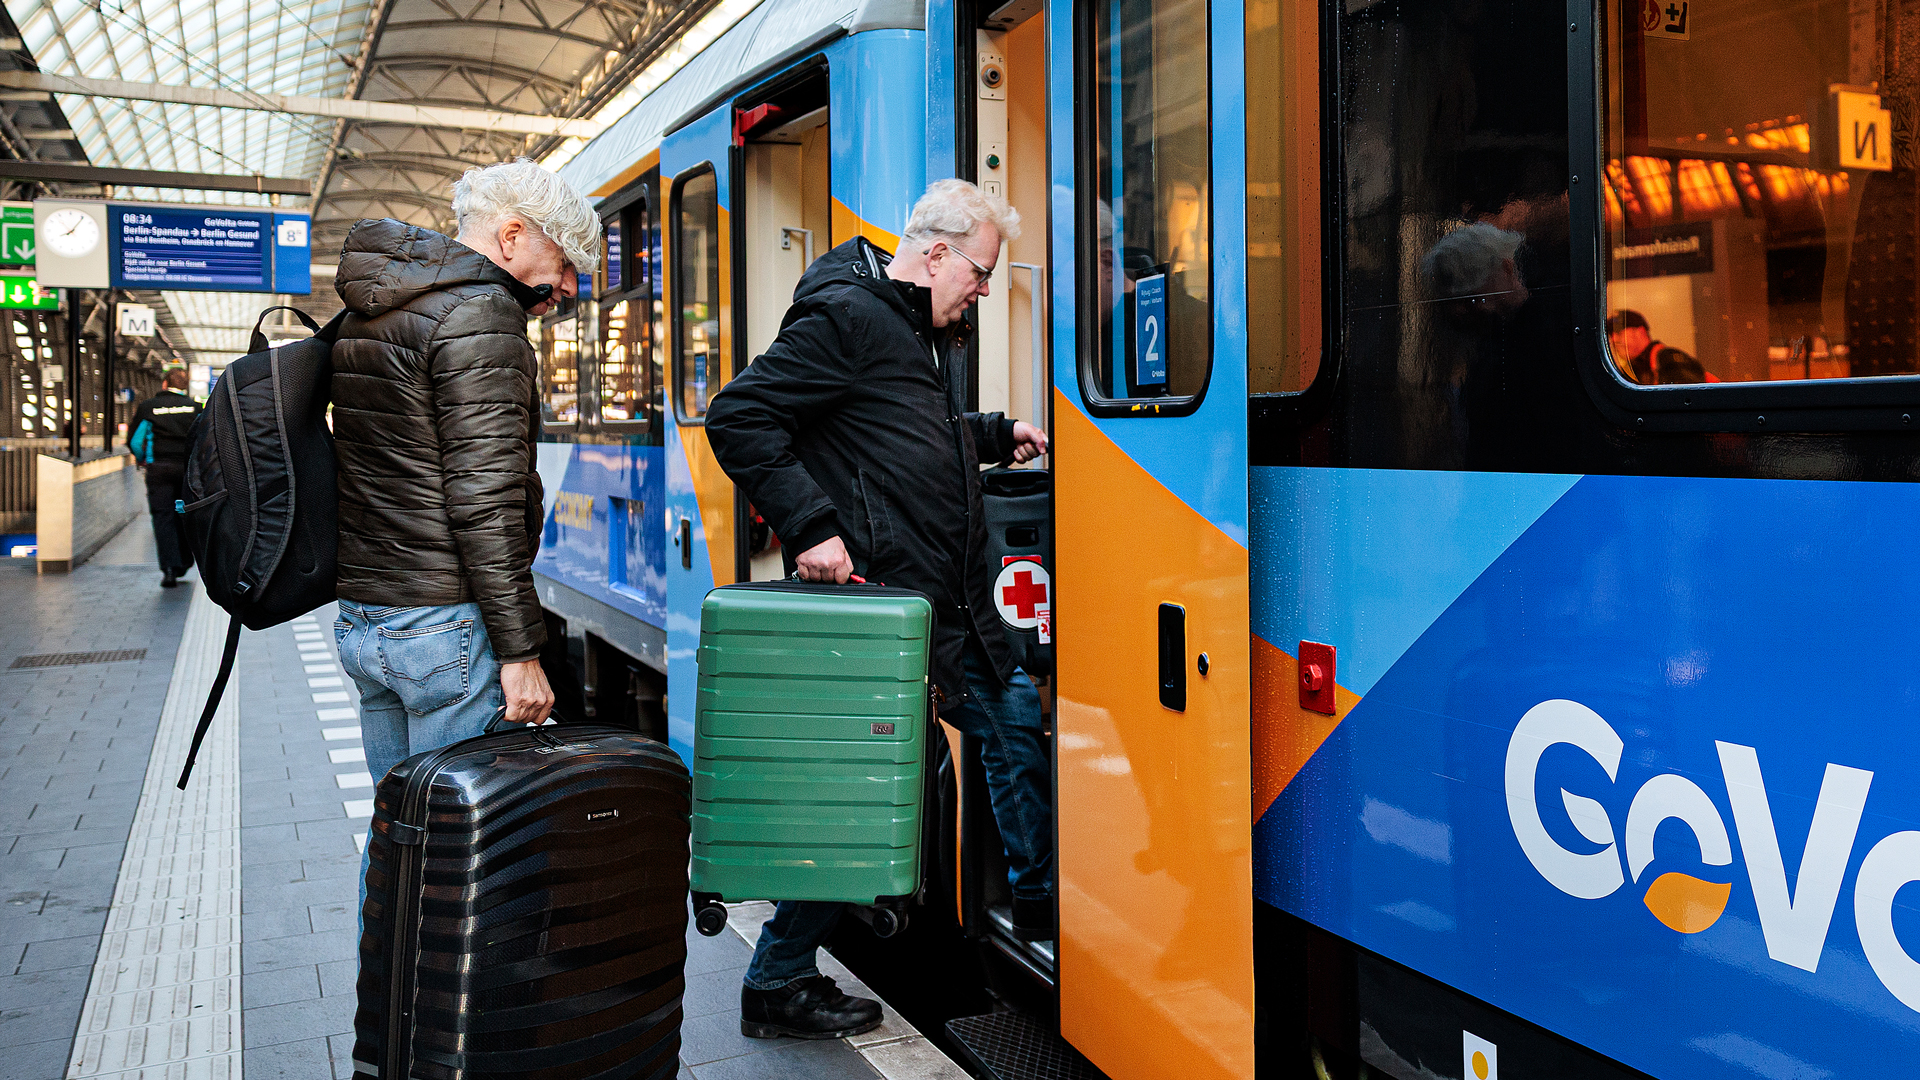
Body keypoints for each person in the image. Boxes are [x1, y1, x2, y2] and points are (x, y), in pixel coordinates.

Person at [706, 178, 1051, 1040]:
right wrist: (812, 526)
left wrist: (989, 433)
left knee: (1013, 724)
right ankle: (778, 976)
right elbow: (739, 417)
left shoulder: (907, 324)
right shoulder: (849, 319)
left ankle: (1041, 907)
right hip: (889, 611)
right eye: (978, 274)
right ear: (936, 253)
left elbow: (895, 433)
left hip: (950, 603)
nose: (980, 292)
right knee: (878, 797)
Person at [329, 158, 596, 801]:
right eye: (561, 260)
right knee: (461, 845)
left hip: (368, 618)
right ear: (511, 235)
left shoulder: (372, 311)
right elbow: (486, 501)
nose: (565, 285)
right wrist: (521, 652)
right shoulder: (481, 314)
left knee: (400, 828)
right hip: (444, 624)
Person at [128, 368, 201, 588]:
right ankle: (185, 561)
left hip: (158, 468)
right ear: (185, 385)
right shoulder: (195, 408)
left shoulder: (148, 407)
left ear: (164, 384)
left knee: (163, 517)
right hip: (187, 469)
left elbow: (134, 441)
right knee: (185, 513)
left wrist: (144, 459)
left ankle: (169, 569)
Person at [1607, 309, 1709, 384]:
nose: (1614, 339)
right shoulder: (1633, 369)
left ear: (1640, 332)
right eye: (1611, 335)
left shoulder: (1669, 360)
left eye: (1619, 333)